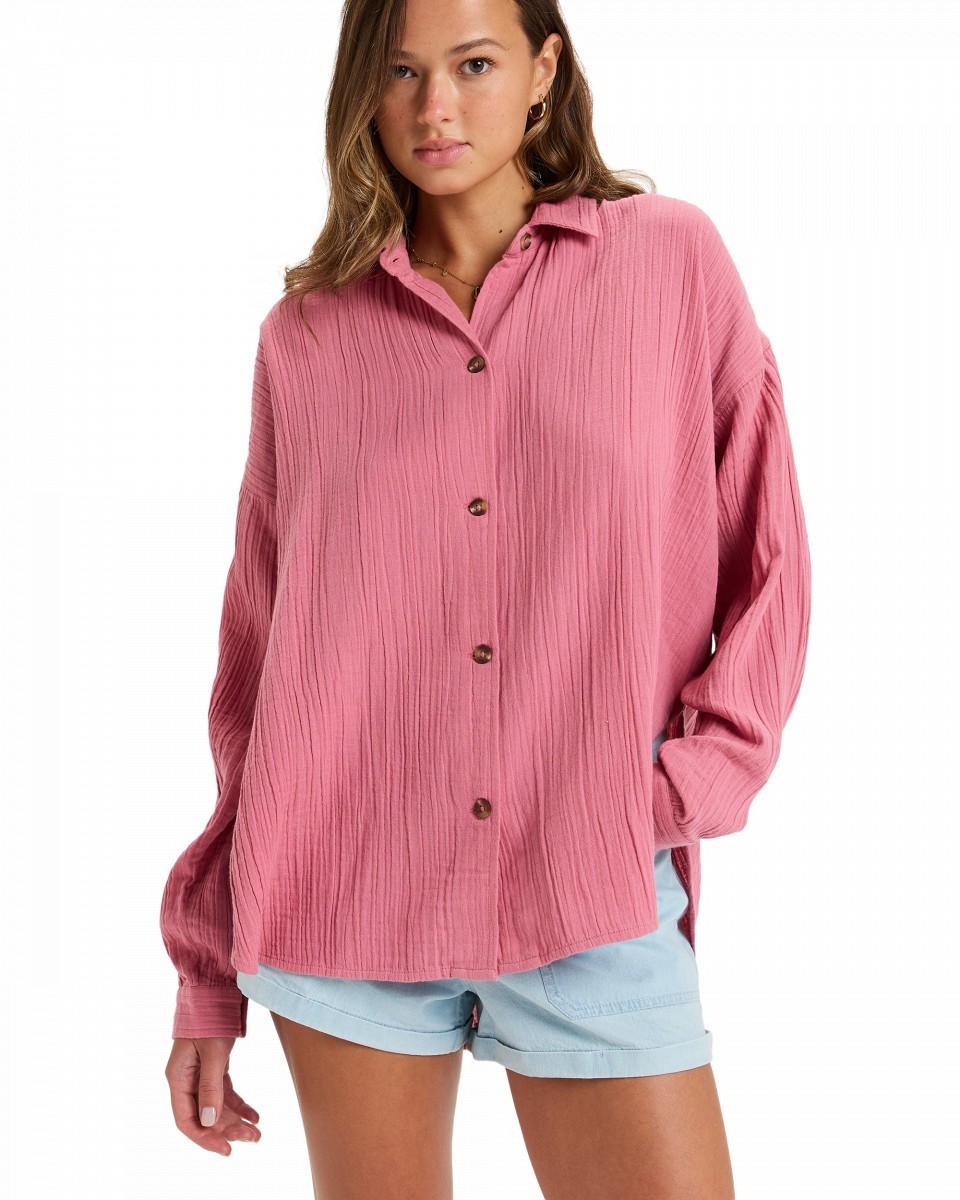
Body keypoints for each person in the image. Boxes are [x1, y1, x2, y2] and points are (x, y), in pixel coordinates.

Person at [159, 1, 811, 1196]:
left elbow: (767, 553)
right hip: (344, 890)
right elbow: (258, 652)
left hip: (591, 885)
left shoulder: (669, 262)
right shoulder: (307, 337)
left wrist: (678, 792)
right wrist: (206, 965)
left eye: (473, 64)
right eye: (401, 72)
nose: (435, 108)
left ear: (544, 69)